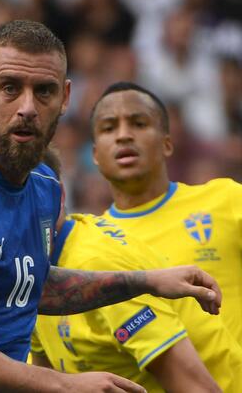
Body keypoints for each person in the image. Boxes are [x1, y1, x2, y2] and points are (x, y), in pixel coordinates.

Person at [0, 19, 222, 392]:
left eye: (44, 91)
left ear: (66, 98)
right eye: (10, 88)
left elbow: (32, 286)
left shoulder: (43, 186)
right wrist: (64, 384)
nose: (28, 107)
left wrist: (149, 281)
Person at [30, 152, 241, 392]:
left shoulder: (96, 260)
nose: (18, 213)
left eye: (30, 197)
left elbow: (197, 388)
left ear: (59, 197)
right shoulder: (30, 269)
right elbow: (43, 375)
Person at [91, 82, 242, 343]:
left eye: (138, 124)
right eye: (108, 127)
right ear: (95, 155)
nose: (123, 135)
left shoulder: (226, 199)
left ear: (167, 144)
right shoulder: (91, 244)